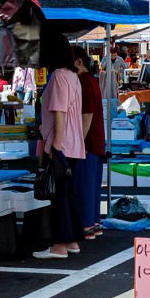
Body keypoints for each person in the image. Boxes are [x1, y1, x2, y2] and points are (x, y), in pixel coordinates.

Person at [33, 35, 86, 260]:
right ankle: (71, 240)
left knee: (59, 197)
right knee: (68, 194)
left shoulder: (58, 76)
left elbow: (59, 112)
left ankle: (60, 245)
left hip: (61, 143)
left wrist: (55, 145)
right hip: (74, 144)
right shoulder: (73, 76)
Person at [73, 48, 106, 238]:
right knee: (92, 186)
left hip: (87, 142)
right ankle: (93, 223)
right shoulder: (90, 80)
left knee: (84, 185)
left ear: (78, 62)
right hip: (96, 140)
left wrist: (79, 141)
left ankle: (86, 225)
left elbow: (87, 114)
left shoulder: (83, 82)